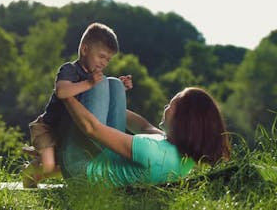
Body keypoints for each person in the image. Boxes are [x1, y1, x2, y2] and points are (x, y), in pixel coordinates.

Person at [57, 77, 231, 186]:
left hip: (79, 167)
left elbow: (92, 128)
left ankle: (51, 131)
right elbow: (144, 126)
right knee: (114, 85)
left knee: (101, 84)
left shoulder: (151, 151)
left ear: (183, 120)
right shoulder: (180, 155)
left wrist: (67, 97)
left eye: (171, 105)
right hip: (98, 155)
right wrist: (111, 100)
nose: (166, 107)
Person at [22, 22, 133, 187]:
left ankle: (45, 155)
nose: (104, 63)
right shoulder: (70, 69)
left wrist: (119, 88)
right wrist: (89, 84)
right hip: (49, 128)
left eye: (108, 60)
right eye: (101, 56)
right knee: (49, 166)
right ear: (85, 50)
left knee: (58, 165)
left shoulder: (92, 76)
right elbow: (62, 91)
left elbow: (97, 101)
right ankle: (30, 170)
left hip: (69, 130)